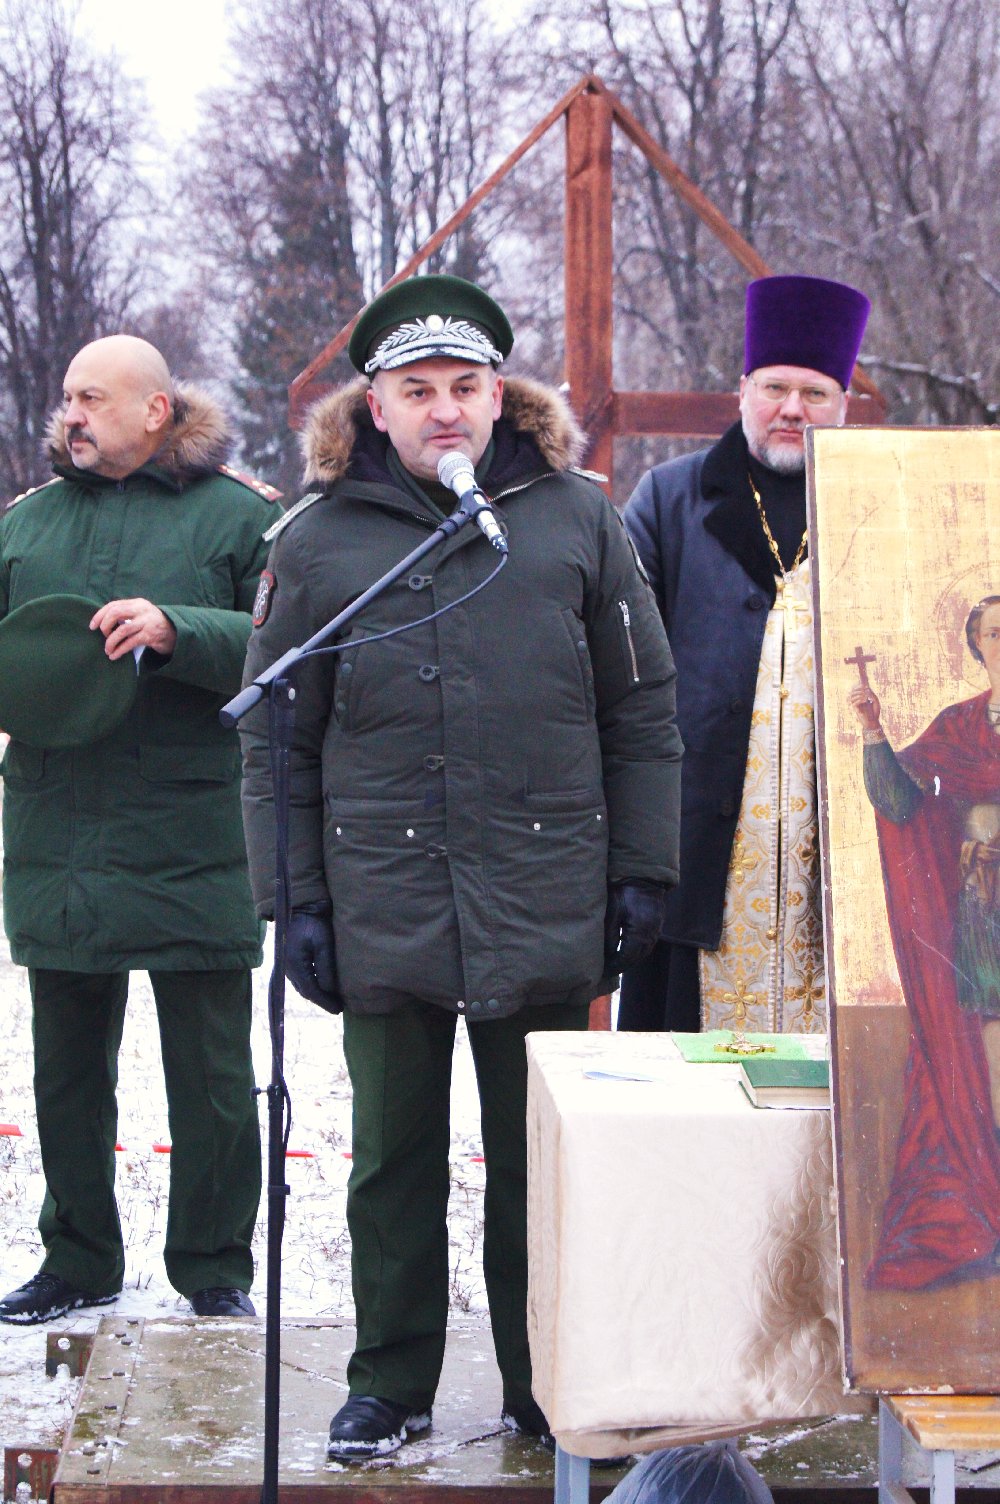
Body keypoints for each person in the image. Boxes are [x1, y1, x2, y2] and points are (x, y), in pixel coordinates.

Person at [239, 274, 683, 1460]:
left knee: (540, 1160)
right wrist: (296, 901)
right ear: (375, 406)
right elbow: (276, 737)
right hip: (382, 899)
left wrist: (641, 869)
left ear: (499, 397)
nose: (444, 410)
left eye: (465, 387)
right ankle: (390, 1381)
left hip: (546, 891)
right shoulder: (316, 540)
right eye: (417, 389)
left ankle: (547, 1377)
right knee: (391, 1159)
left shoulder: (577, 520)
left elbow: (642, 706)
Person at [0, 335, 280, 1325]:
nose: (71, 415)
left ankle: (214, 1267)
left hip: (194, 830)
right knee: (66, 1070)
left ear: (157, 410)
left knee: (212, 1076)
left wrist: (177, 628)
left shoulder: (242, 517)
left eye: (94, 398)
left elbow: (293, 647)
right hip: (60, 832)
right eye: (68, 398)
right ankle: (77, 1257)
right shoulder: (25, 525)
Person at [618, 274, 871, 1036]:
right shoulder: (669, 500)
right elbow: (617, 676)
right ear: (742, 392)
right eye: (775, 388)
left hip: (843, 863)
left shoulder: (876, 507)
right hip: (697, 851)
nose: (793, 409)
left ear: (844, 405)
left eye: (815, 393)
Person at [848, 596, 1000, 1289]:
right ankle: (986, 1208)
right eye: (994, 634)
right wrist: (873, 732)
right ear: (977, 648)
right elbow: (901, 801)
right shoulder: (959, 728)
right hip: (984, 918)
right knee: (985, 1059)